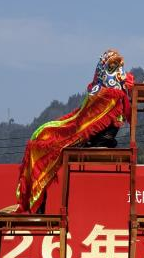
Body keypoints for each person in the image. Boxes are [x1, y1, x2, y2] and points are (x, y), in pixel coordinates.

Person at [18, 49, 135, 214]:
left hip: (101, 137)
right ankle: (37, 203)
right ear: (102, 70)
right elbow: (83, 122)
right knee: (46, 137)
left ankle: (37, 204)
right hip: (89, 137)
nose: (120, 72)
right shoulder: (102, 94)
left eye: (120, 67)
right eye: (113, 67)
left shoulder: (115, 93)